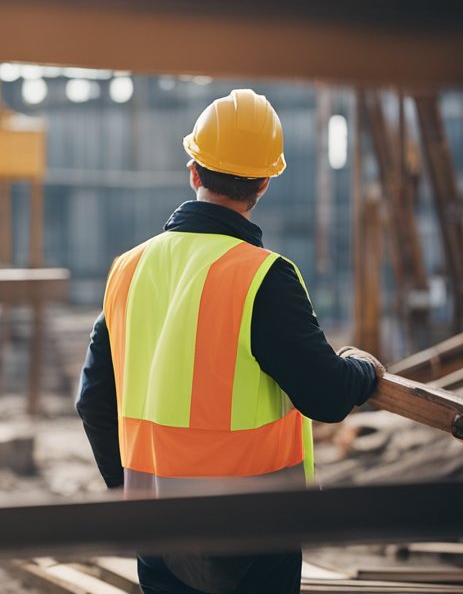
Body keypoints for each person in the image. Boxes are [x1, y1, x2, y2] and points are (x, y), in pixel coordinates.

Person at [76, 88, 383, 594]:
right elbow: (327, 395)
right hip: (254, 536)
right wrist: (364, 370)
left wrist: (131, 496)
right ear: (265, 182)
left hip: (158, 530)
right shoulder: (264, 278)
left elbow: (93, 403)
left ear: (193, 172)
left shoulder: (127, 270)